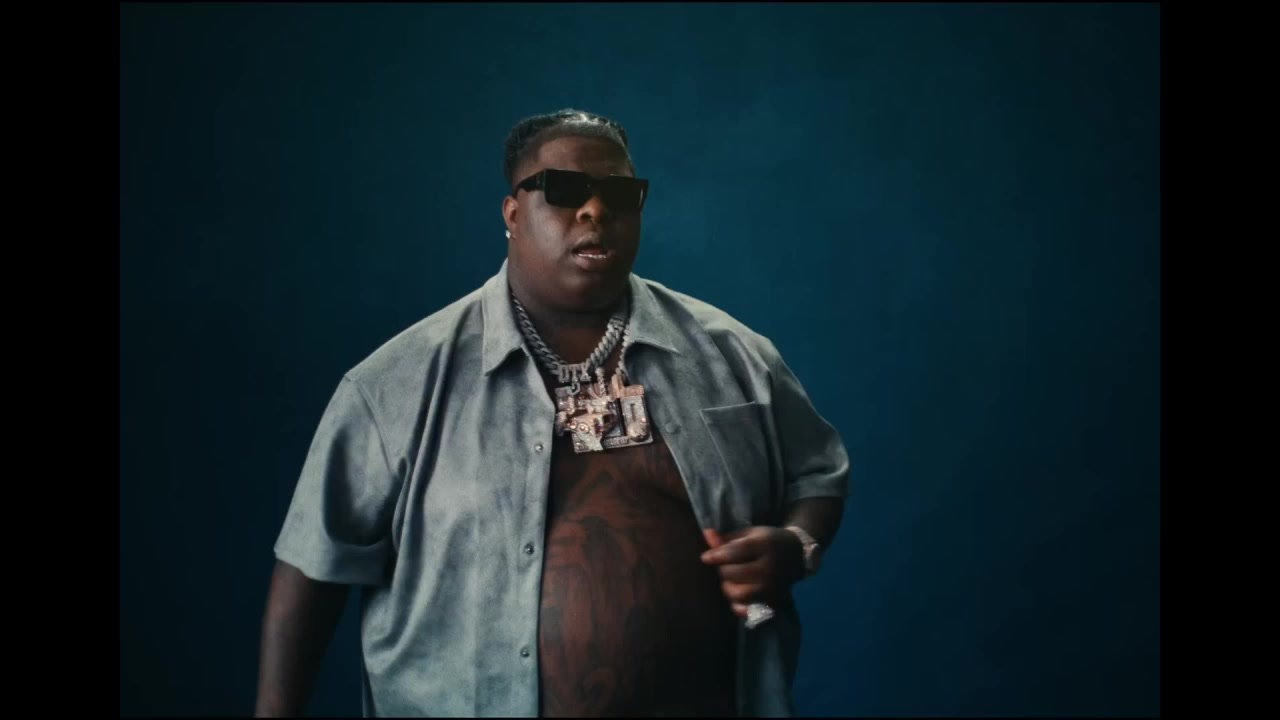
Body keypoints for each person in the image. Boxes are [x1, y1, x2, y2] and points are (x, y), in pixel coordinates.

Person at [254, 108, 850, 717]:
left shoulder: (734, 355)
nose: (595, 210)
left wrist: (798, 543)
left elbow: (818, 474)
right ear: (512, 214)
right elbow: (311, 572)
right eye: (564, 190)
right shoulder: (394, 385)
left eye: (619, 193)